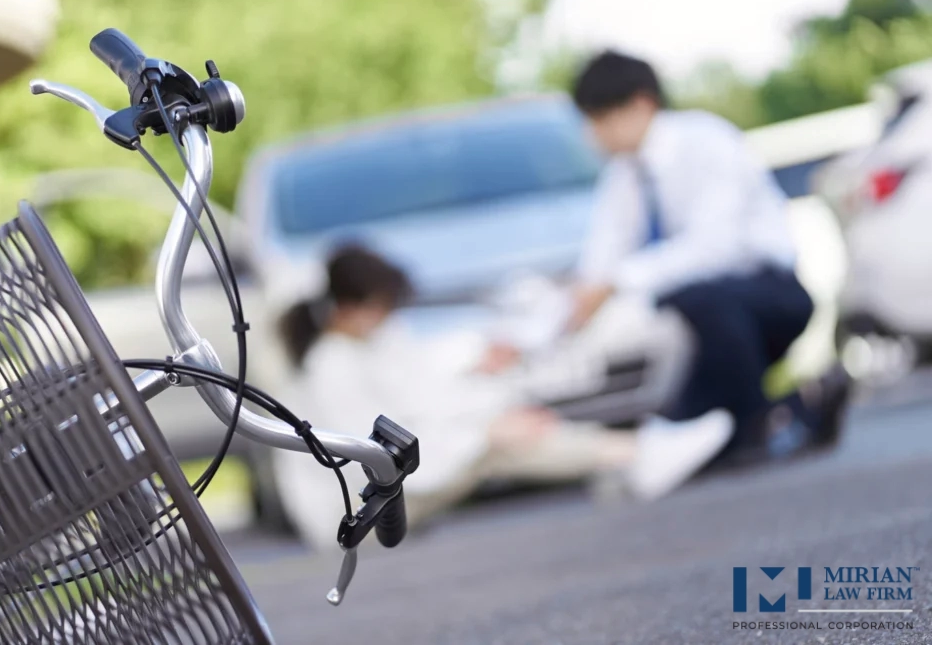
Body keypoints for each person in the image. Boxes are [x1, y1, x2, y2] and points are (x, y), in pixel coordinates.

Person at [272, 244, 734, 551]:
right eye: (382, 307)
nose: (390, 317)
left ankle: (630, 457)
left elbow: (424, 400)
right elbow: (376, 457)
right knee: (498, 444)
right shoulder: (331, 366)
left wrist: (487, 403)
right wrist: (485, 433)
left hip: (380, 494)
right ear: (352, 308)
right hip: (351, 515)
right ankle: (635, 455)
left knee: (502, 429)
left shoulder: (364, 344)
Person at [567, 50, 851, 465]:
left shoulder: (706, 141)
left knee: (698, 298)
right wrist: (571, 307)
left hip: (768, 295)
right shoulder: (623, 176)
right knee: (689, 424)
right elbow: (601, 257)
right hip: (704, 322)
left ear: (641, 105)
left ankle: (760, 424)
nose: (593, 136)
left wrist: (617, 281)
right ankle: (795, 408)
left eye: (599, 120)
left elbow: (715, 250)